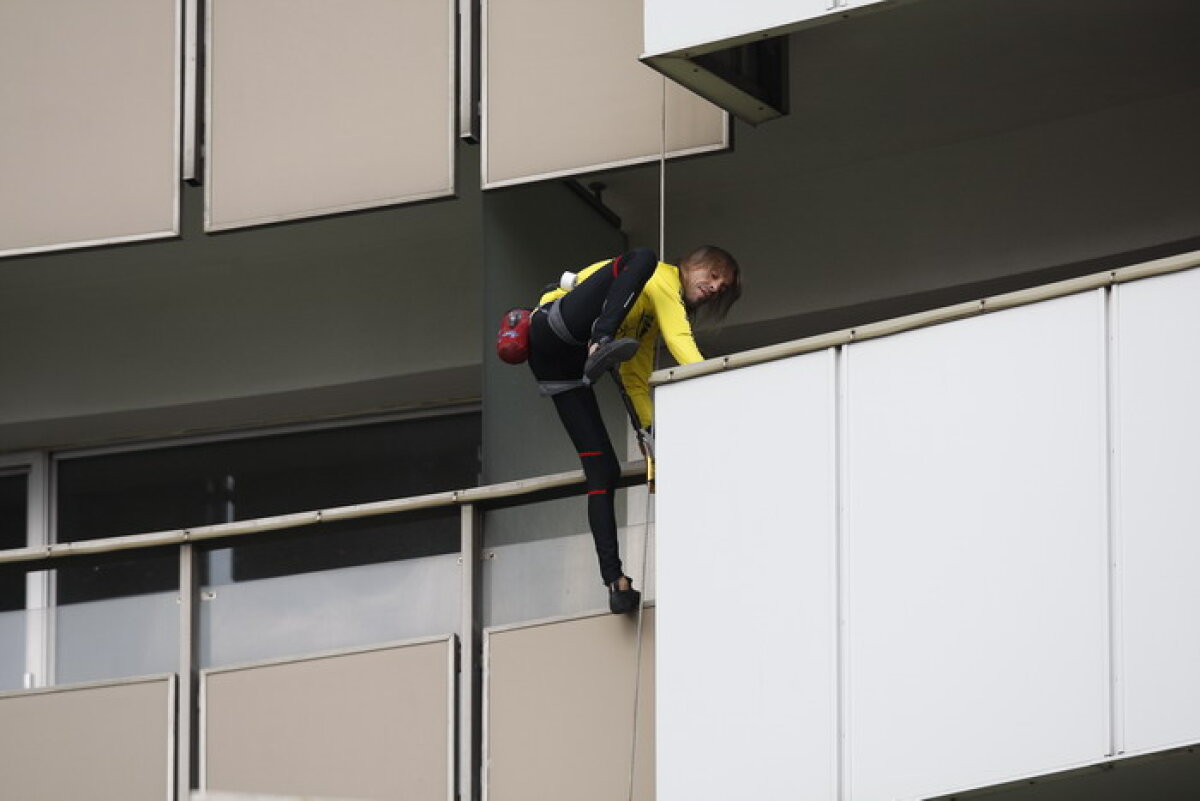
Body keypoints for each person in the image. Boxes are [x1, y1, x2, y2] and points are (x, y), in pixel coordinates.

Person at [527, 246, 742, 613]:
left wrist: (652, 442)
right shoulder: (661, 278)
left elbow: (636, 380)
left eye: (722, 288)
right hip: (555, 324)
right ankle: (601, 338)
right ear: (691, 265)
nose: (715, 287)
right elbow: (680, 340)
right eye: (713, 275)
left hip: (559, 370)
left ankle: (616, 582)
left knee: (603, 471)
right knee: (641, 257)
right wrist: (724, 393)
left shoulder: (648, 311)